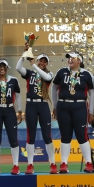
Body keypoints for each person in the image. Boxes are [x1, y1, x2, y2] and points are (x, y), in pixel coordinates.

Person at [51, 52, 94, 173]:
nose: (70, 60)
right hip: (63, 105)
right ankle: (64, 164)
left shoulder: (86, 74)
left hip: (80, 105)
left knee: (82, 135)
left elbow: (92, 93)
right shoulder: (61, 72)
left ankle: (88, 163)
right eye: (69, 58)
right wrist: (54, 105)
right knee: (65, 135)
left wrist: (91, 111)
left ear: (79, 61)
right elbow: (54, 88)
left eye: (73, 58)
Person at [16, 46, 56, 174]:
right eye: (40, 60)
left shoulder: (49, 73)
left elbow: (48, 78)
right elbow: (18, 68)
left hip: (43, 105)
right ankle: (30, 164)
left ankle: (53, 164)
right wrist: (24, 55)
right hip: (31, 105)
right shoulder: (30, 73)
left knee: (47, 136)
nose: (42, 63)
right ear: (37, 60)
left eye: (45, 61)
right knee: (31, 136)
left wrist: (34, 65)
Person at [0, 58, 22, 175]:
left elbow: (18, 96)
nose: (2, 68)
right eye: (0, 66)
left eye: (4, 66)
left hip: (9, 110)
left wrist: (20, 111)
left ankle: (16, 165)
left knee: (13, 138)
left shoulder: (13, 80)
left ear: (7, 68)